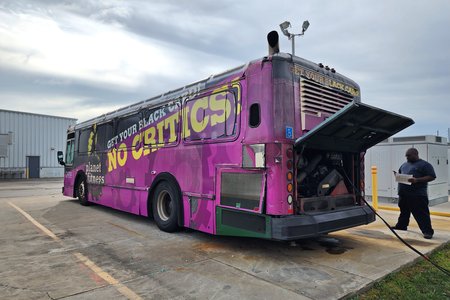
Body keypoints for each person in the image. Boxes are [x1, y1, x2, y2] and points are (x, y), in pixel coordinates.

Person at [392, 148, 436, 239]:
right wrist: (397, 176)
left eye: (408, 155)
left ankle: (428, 232)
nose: (407, 157)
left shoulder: (425, 165)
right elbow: (401, 173)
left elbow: (432, 176)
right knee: (404, 212)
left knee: (421, 214)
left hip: (417, 195)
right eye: (406, 156)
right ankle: (401, 226)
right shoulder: (404, 165)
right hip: (403, 194)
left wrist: (417, 180)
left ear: (415, 154)